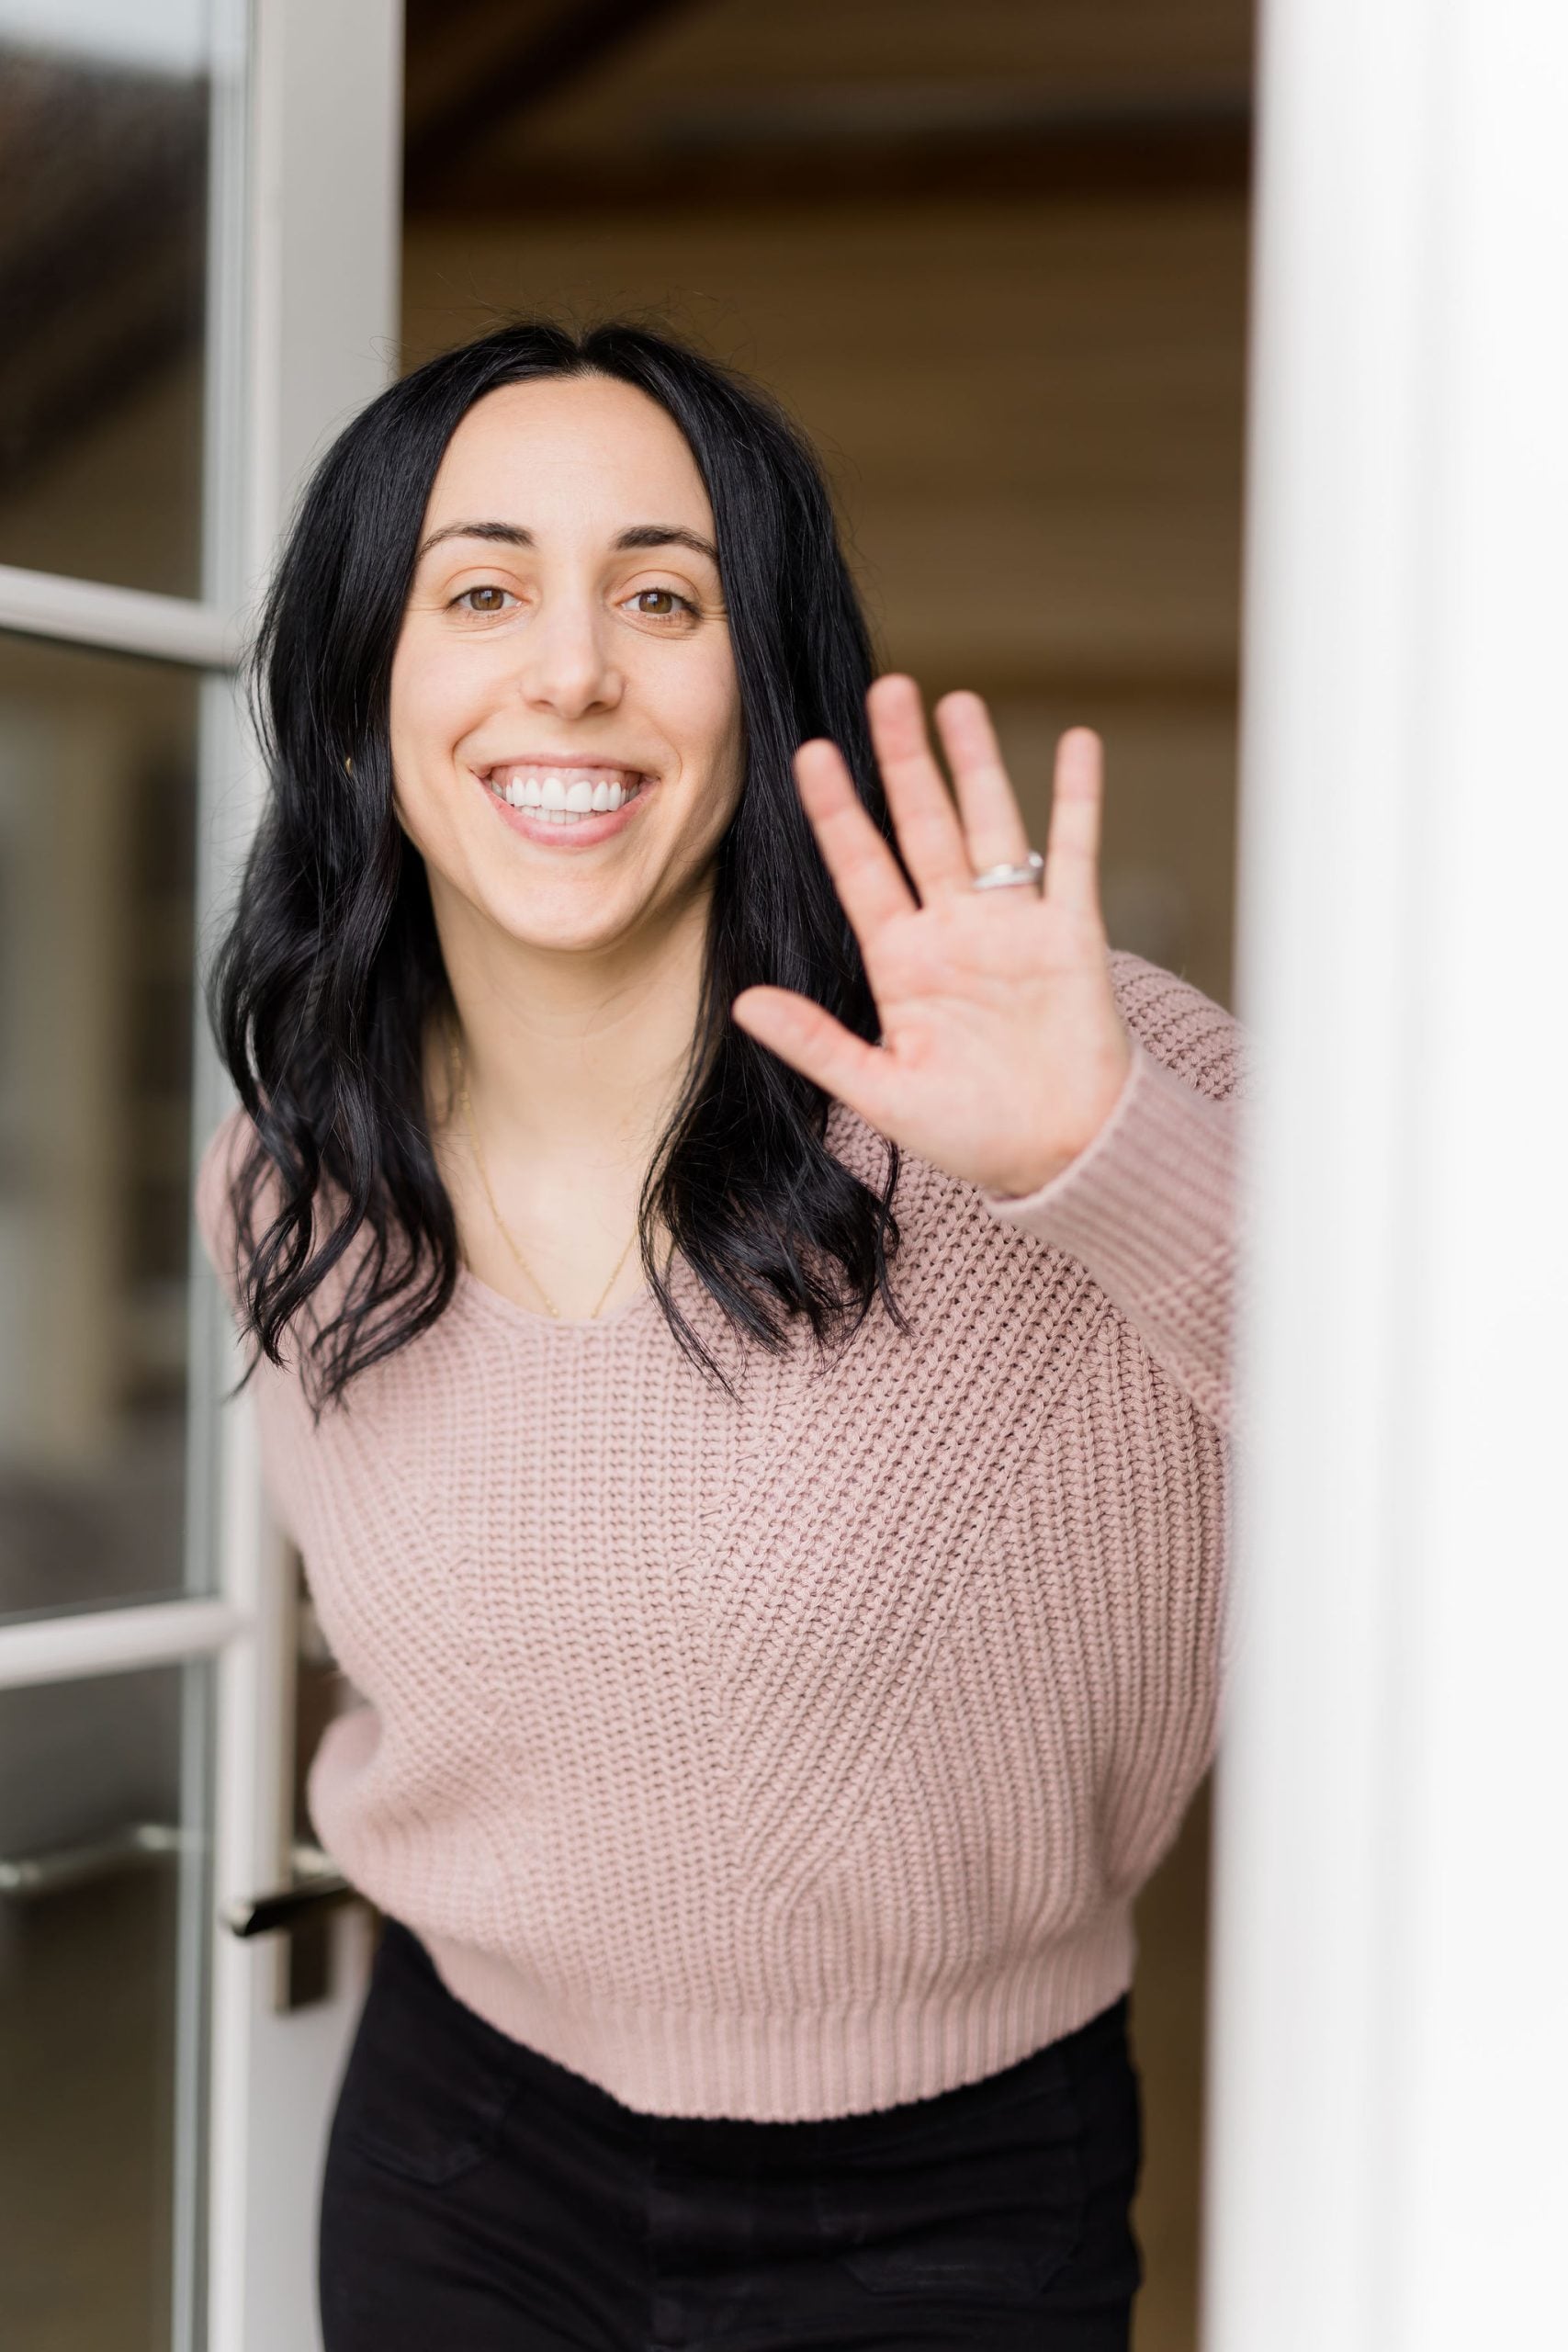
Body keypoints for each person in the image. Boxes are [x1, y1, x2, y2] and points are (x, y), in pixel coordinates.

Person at [196, 317, 1246, 2350]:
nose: (568, 666)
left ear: (763, 683)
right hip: (458, 2142)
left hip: (951, 2194)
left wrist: (1095, 1153)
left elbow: (1477, 1454)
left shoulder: (1053, 1071)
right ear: (362, 688)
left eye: (658, 595)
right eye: (478, 588)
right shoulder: (292, 1176)